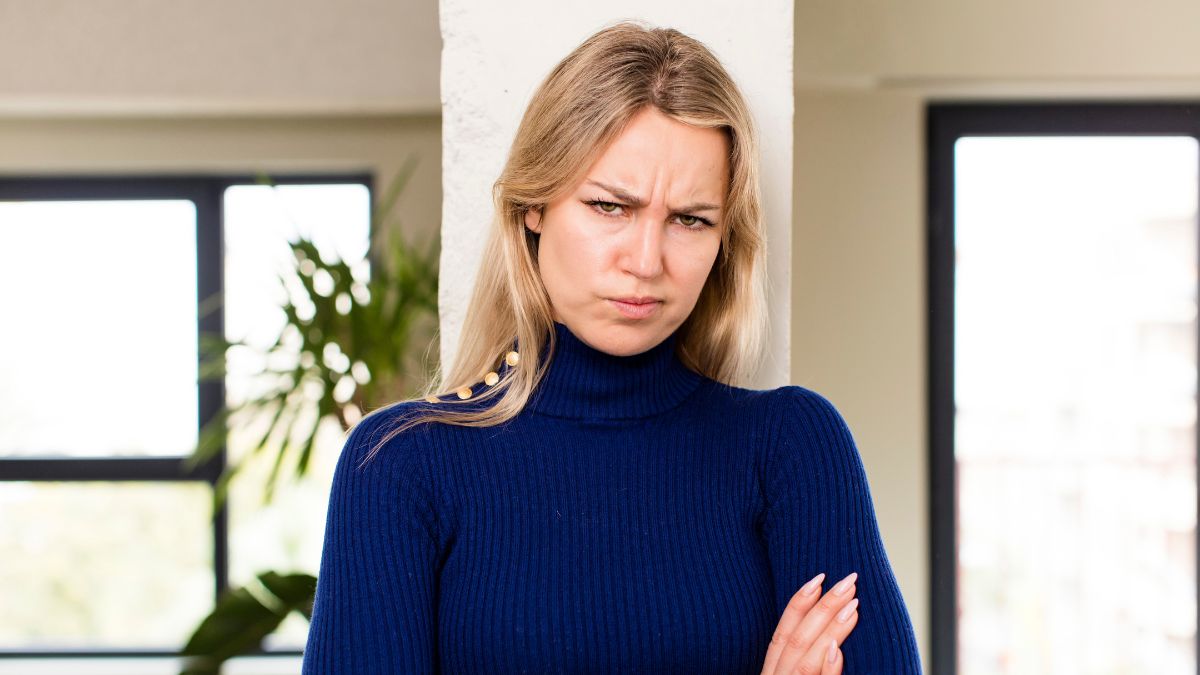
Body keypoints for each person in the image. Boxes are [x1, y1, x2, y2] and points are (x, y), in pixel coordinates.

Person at [302, 20, 922, 674]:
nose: (646, 259)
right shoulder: (401, 466)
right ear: (534, 205)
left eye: (690, 219)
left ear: (722, 243)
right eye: (609, 206)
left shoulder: (790, 447)